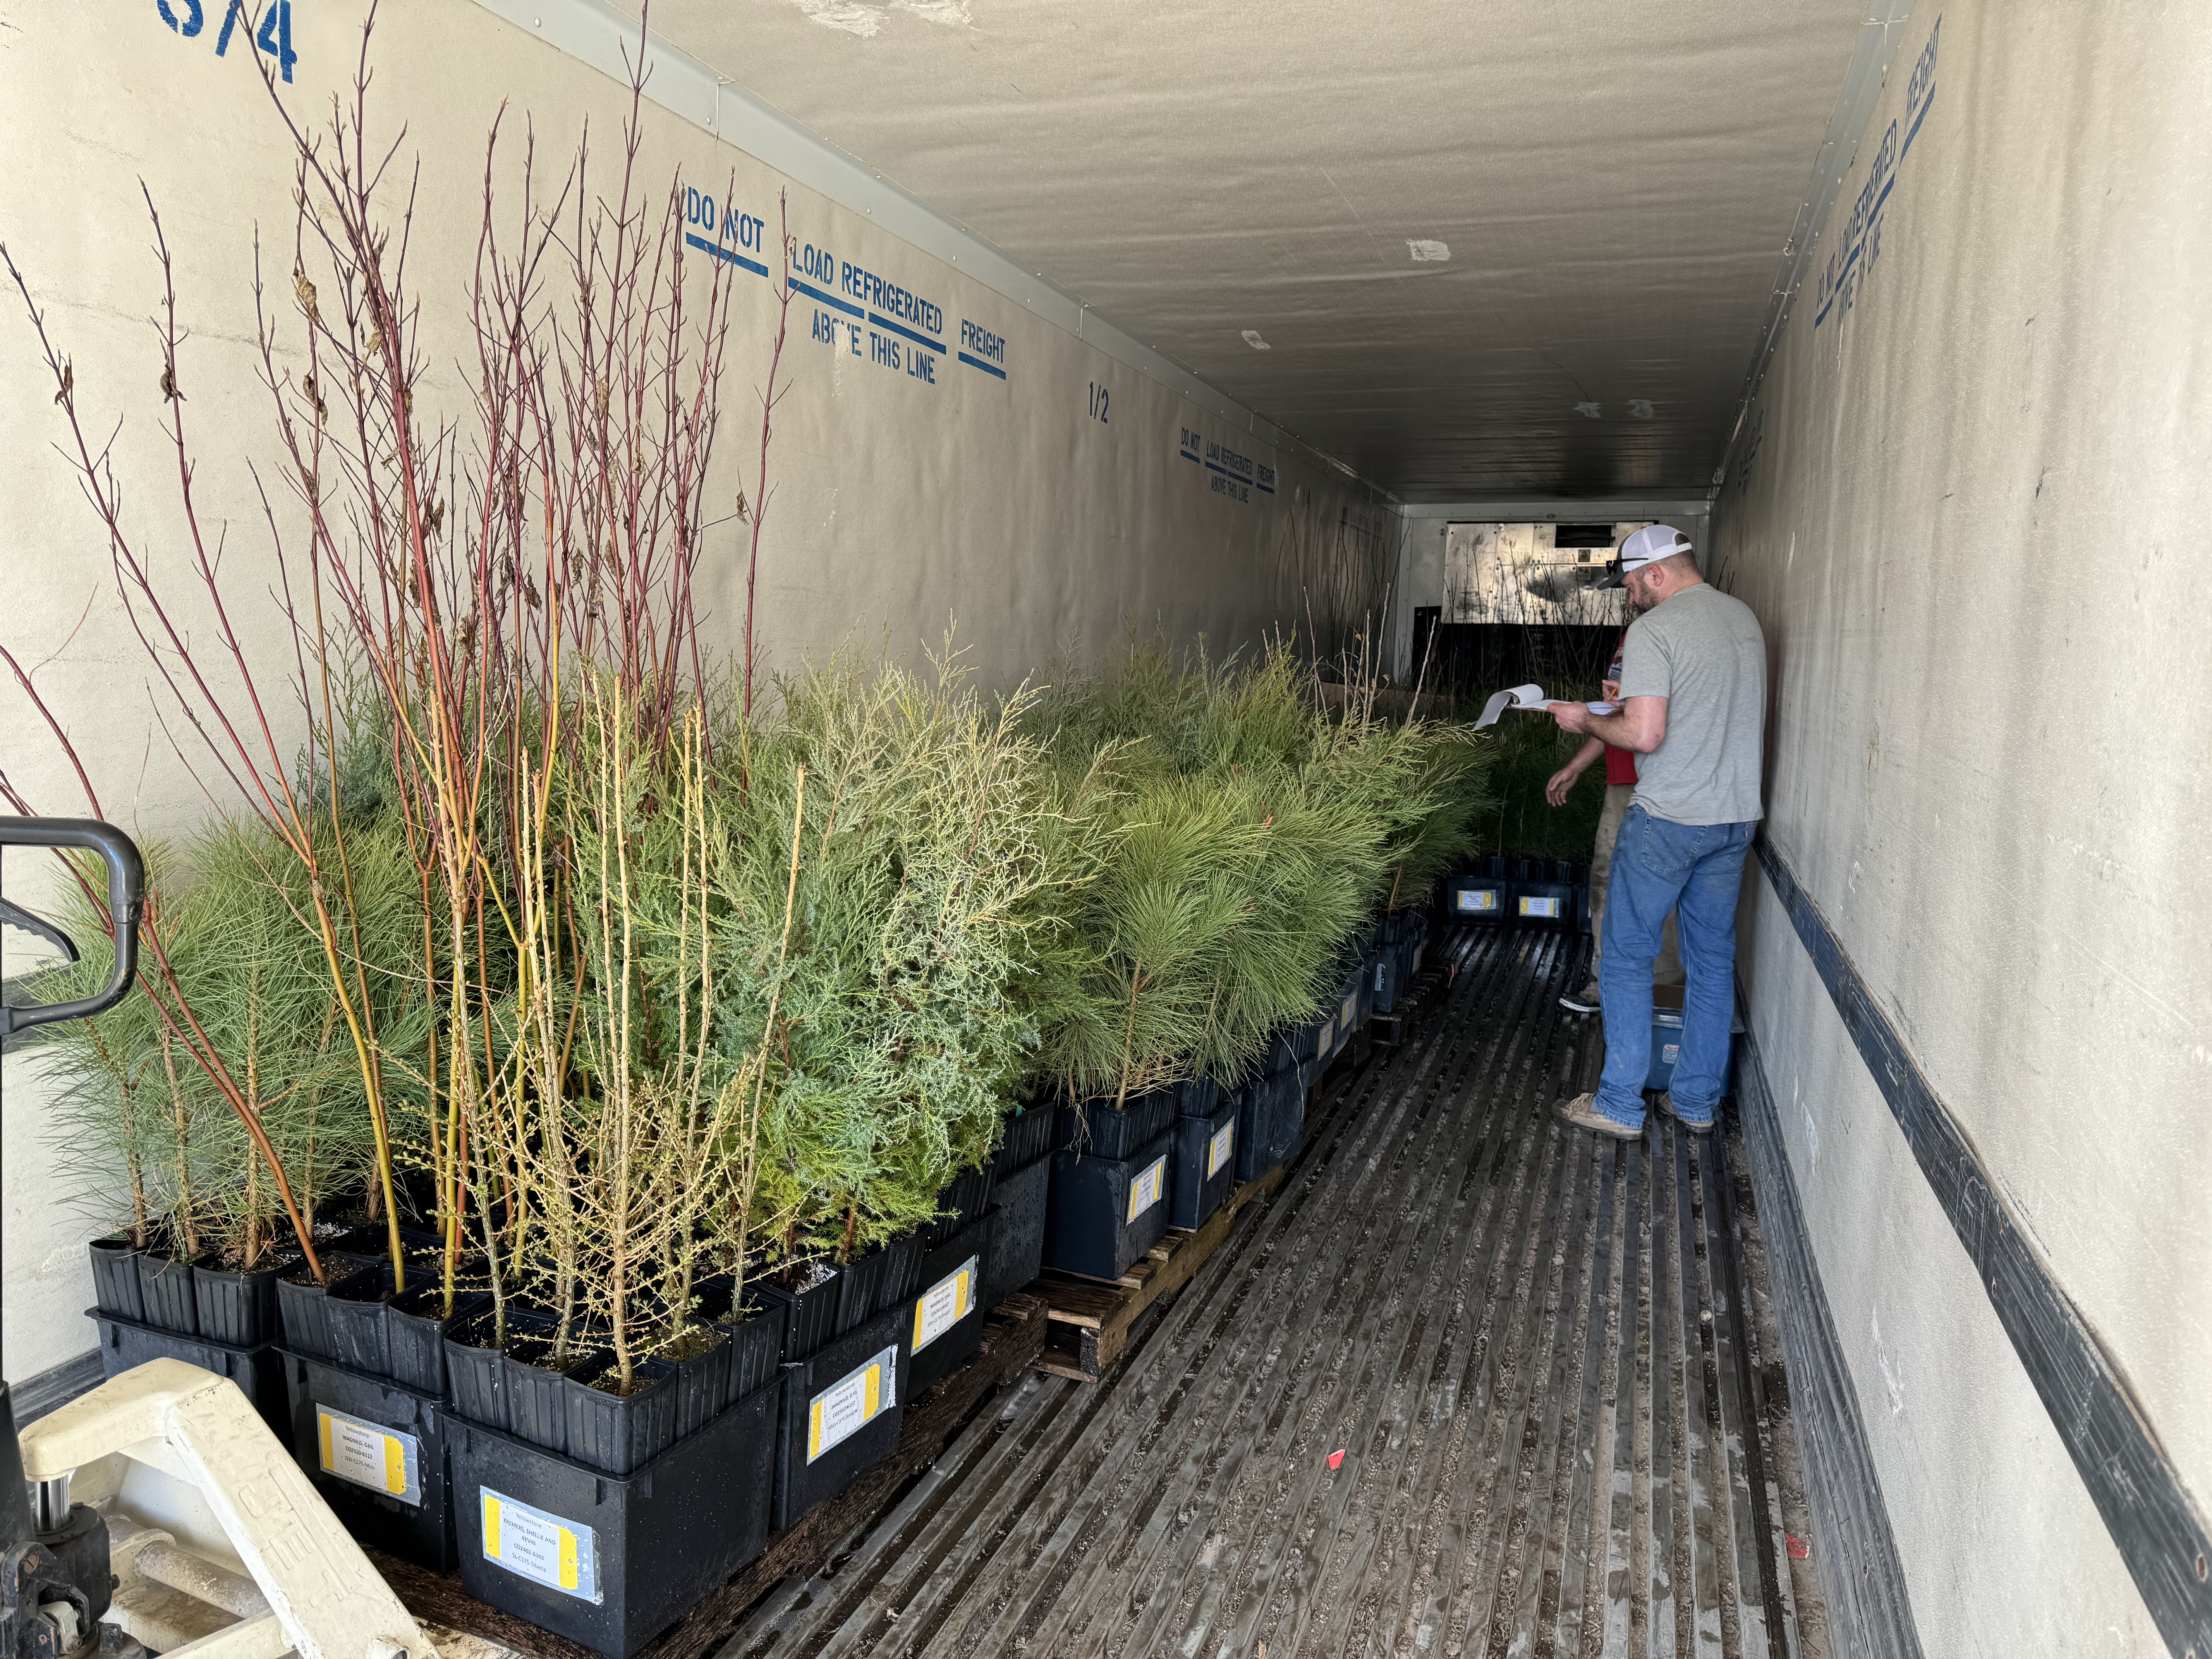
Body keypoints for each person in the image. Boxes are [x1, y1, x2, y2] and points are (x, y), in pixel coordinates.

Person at [1544, 524, 1765, 1140]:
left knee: (1626, 956)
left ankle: (1619, 1104)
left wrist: (1581, 719)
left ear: (1659, 572)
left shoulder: (1655, 630)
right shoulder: (1743, 620)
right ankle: (1695, 1103)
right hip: (1734, 819)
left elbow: (1644, 734)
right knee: (1712, 961)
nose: (1631, 596)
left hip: (1669, 818)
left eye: (1635, 583)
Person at [1545, 631, 1682, 1013]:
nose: (1628, 591)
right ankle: (1605, 986)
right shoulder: (1632, 637)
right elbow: (1616, 716)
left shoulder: (1673, 636)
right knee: (1605, 882)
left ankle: (1662, 990)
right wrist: (1576, 766)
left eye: (1629, 579)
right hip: (1620, 783)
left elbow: (1654, 718)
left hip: (1658, 783)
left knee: (1658, 889)